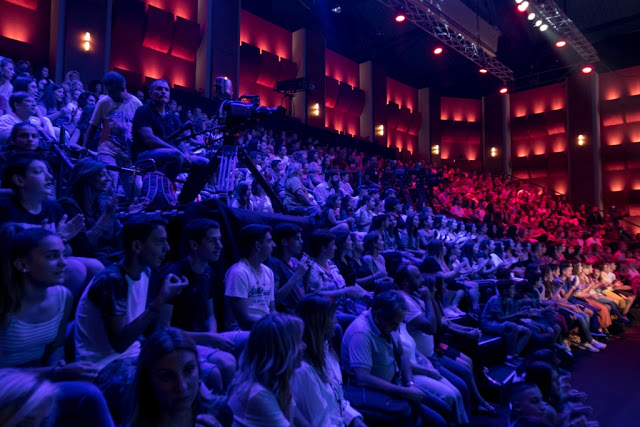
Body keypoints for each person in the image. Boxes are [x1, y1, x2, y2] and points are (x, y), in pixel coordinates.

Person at [0, 226, 114, 427]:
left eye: (63, 255)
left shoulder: (63, 296)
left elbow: (56, 346)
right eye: (52, 256)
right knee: (88, 396)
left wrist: (60, 367)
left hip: (40, 373)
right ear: (22, 264)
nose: (63, 263)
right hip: (9, 382)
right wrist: (55, 373)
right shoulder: (6, 307)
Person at [0, 153, 102, 299]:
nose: (49, 177)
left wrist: (63, 240)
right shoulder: (5, 209)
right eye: (39, 172)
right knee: (75, 269)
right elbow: (7, 254)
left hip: (46, 265)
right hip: (16, 268)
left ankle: (68, 315)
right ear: (19, 180)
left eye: (48, 171)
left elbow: (72, 252)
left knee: (95, 266)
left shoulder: (54, 208)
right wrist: (55, 238)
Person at [341, 290, 447, 426]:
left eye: (399, 323)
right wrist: (404, 392)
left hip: (396, 384)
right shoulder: (361, 334)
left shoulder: (389, 323)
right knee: (437, 422)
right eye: (394, 324)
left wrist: (410, 385)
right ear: (378, 316)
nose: (397, 328)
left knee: (443, 409)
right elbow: (363, 379)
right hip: (375, 393)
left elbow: (402, 355)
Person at [163, 218, 246, 388]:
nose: (220, 246)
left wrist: (213, 336)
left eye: (220, 240)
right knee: (227, 363)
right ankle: (222, 410)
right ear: (194, 245)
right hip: (180, 341)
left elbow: (210, 315)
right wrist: (209, 339)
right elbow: (164, 329)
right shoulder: (175, 274)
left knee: (254, 338)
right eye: (212, 240)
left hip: (205, 336)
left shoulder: (208, 272)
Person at [131, 79, 210, 204]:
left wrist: (187, 154)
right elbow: (149, 139)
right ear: (150, 93)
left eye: (166, 90)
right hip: (145, 154)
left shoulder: (172, 117)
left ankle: (183, 201)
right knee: (176, 156)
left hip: (172, 155)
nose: (163, 92)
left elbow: (180, 141)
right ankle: (161, 195)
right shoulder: (143, 111)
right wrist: (176, 150)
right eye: (159, 89)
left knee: (204, 163)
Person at [292, 295, 366, 427]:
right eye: (331, 317)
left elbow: (338, 400)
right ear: (317, 323)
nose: (336, 321)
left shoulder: (327, 352)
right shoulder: (302, 370)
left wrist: (354, 419)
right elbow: (320, 423)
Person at [129, 328, 223, 427]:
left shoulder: (219, 413)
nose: (182, 386)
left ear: (198, 369)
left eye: (188, 370)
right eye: (167, 376)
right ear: (148, 381)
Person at [227, 313, 305, 427]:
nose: (304, 346)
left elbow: (301, 422)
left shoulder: (277, 382)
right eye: (298, 342)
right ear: (282, 350)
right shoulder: (258, 393)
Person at [84, 71, 142, 196]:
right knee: (109, 182)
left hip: (128, 155)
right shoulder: (104, 102)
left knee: (136, 189)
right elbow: (93, 127)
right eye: (107, 91)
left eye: (111, 91)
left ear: (122, 88)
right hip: (107, 150)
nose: (108, 94)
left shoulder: (137, 104)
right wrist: (85, 148)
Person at [224, 224, 277, 331]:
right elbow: (244, 319)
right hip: (242, 331)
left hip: (265, 328)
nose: (274, 245)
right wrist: (275, 326)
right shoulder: (238, 272)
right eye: (269, 241)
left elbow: (272, 310)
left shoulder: (268, 272)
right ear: (258, 245)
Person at [266, 223, 310, 313]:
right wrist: (297, 275)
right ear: (284, 242)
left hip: (302, 313)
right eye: (297, 239)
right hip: (288, 317)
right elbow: (275, 300)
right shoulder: (274, 263)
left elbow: (304, 293)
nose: (301, 242)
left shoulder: (295, 261)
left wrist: (308, 272)